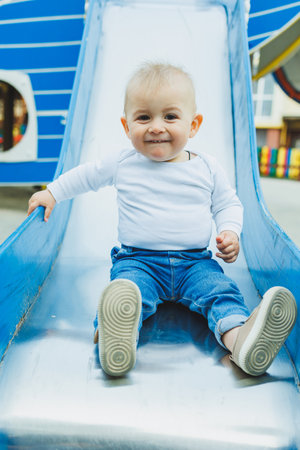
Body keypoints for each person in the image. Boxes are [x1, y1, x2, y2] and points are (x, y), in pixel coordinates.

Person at [28, 62, 297, 378]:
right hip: (139, 261)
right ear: (127, 126)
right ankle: (114, 338)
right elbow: (87, 176)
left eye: (170, 116)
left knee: (220, 293)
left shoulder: (207, 167)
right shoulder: (124, 162)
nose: (156, 127)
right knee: (126, 294)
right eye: (143, 117)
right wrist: (53, 193)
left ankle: (241, 340)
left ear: (193, 124)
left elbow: (228, 204)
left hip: (195, 263)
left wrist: (229, 231)